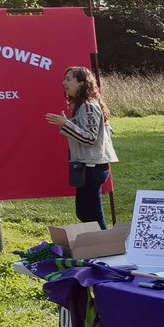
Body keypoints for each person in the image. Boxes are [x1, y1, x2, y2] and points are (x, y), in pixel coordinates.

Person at [45, 66, 118, 230]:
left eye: (69, 79)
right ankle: (97, 245)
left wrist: (66, 124)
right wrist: (68, 124)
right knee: (84, 212)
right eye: (65, 79)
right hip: (85, 166)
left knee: (93, 213)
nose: (64, 83)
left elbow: (90, 137)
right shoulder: (81, 106)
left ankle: (105, 246)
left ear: (82, 83)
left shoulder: (89, 106)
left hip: (93, 167)